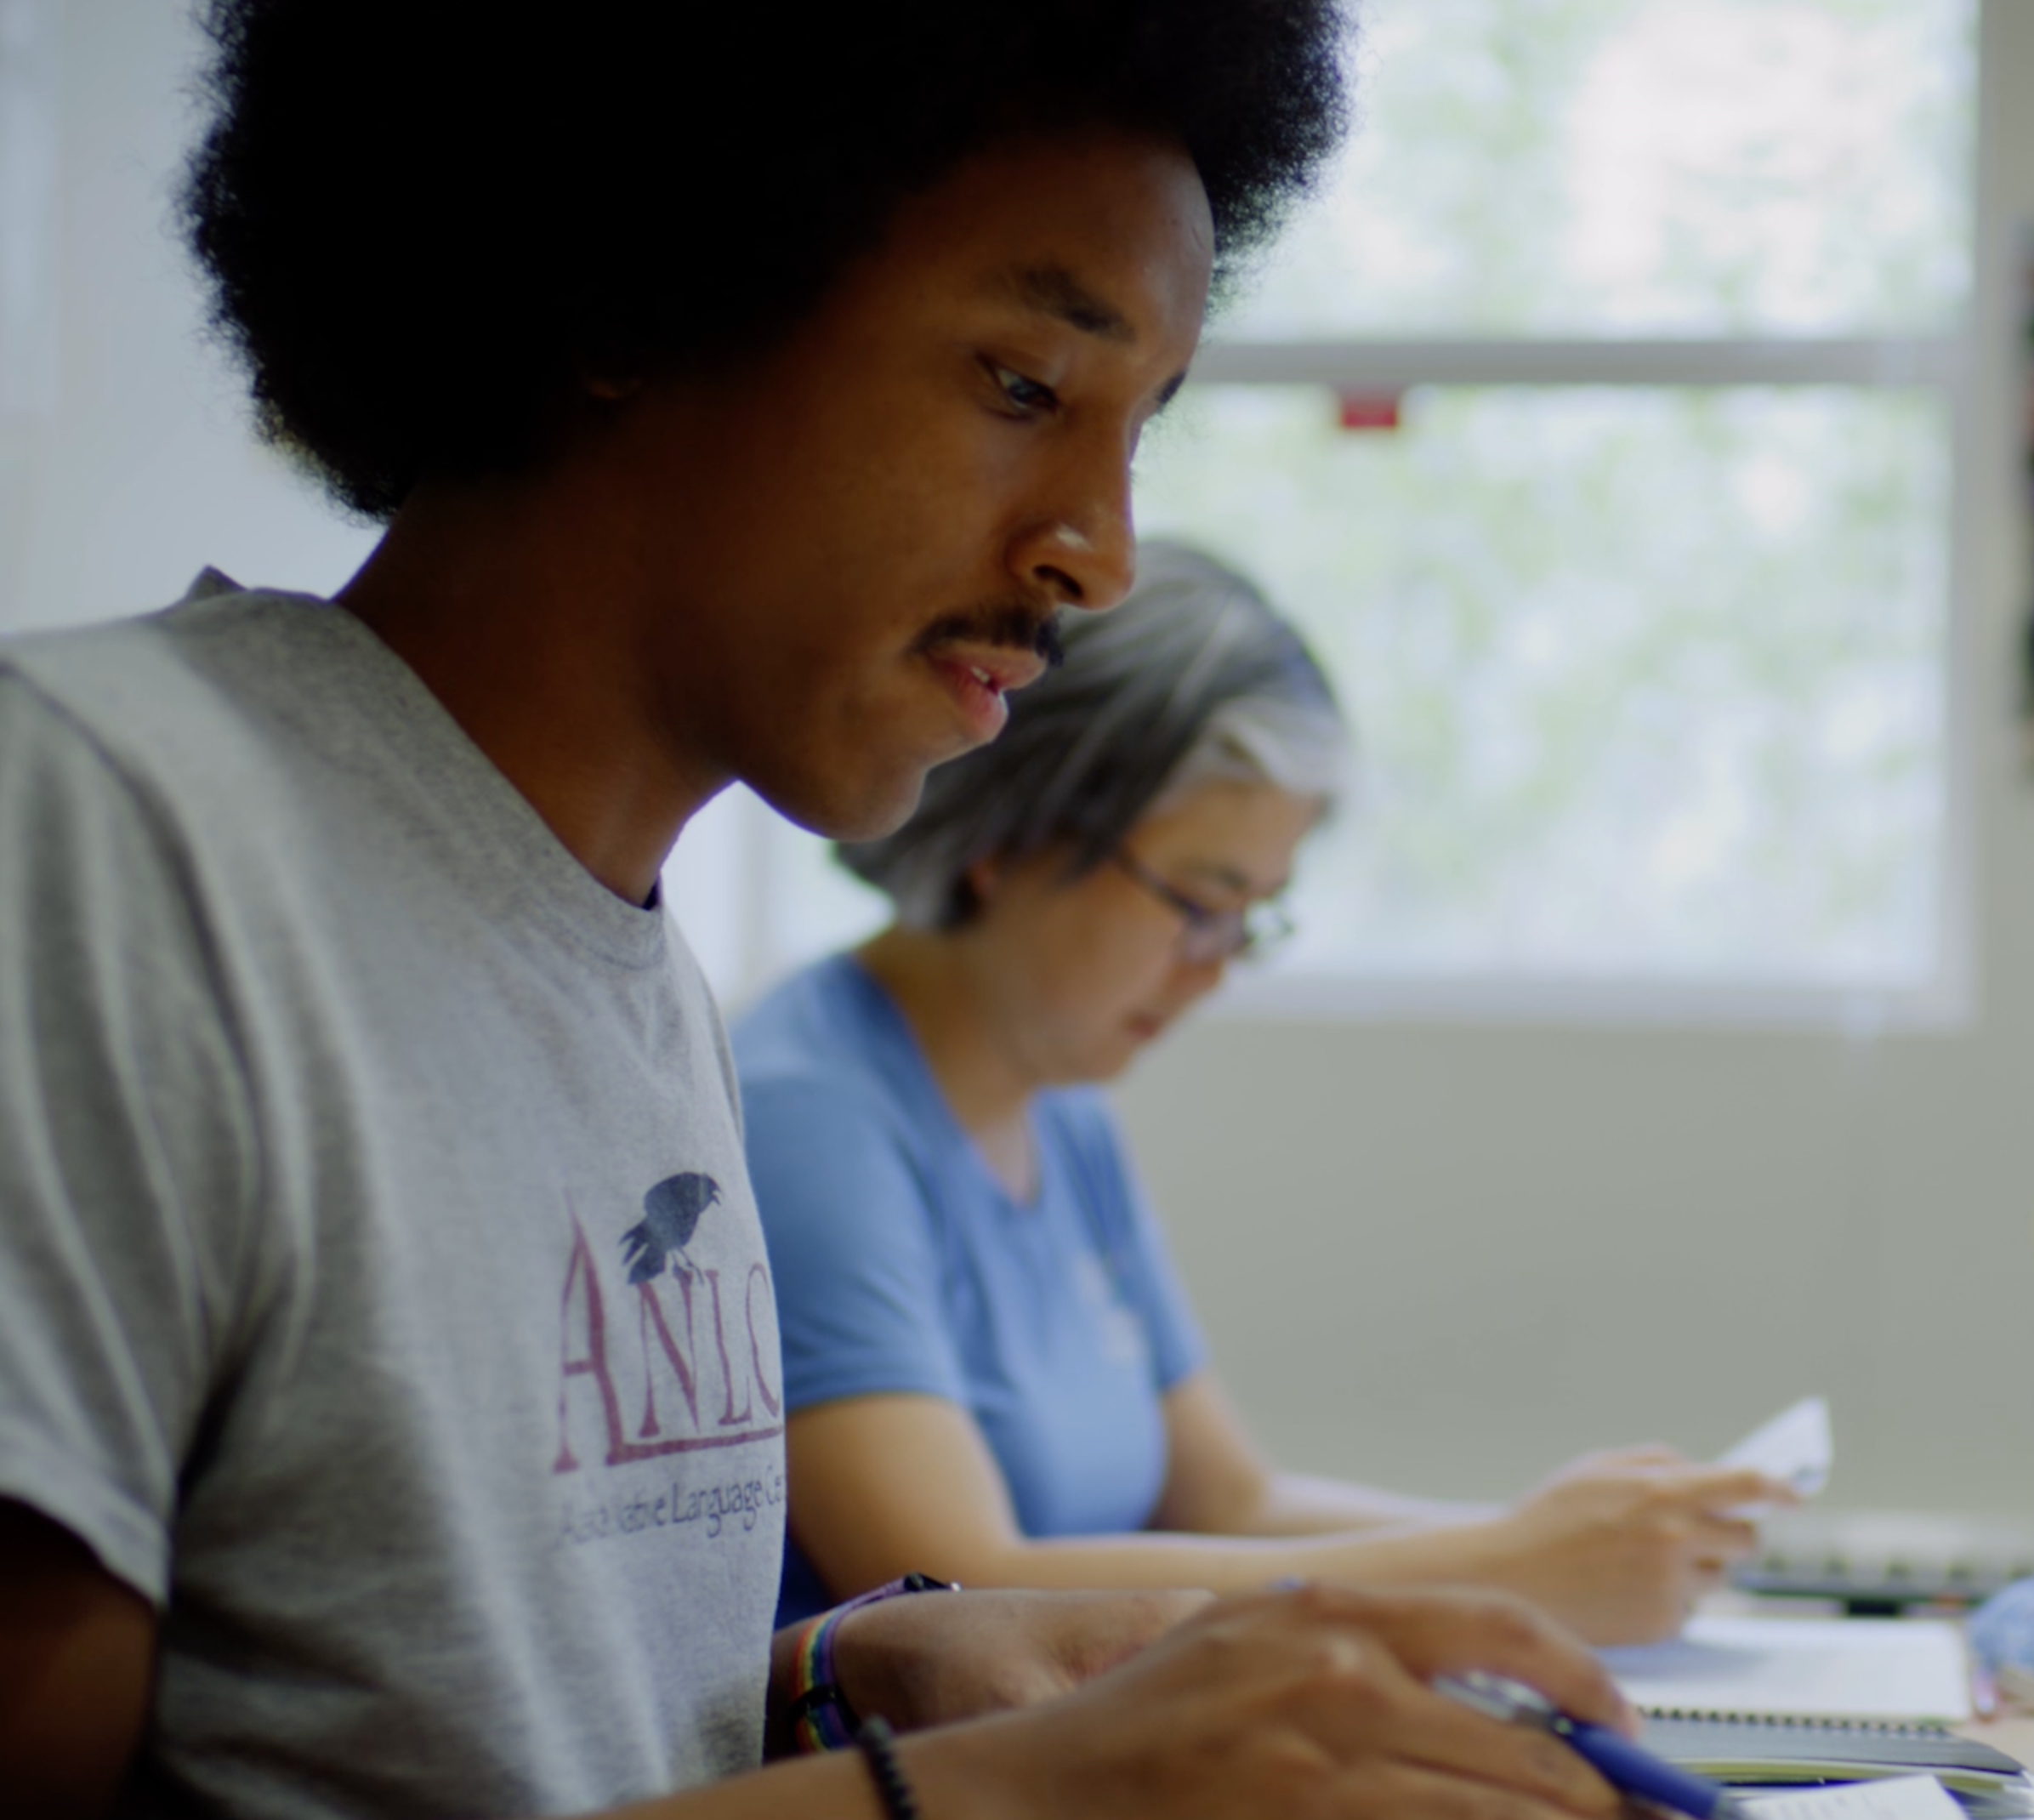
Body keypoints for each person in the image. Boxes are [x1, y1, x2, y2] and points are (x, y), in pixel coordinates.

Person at [0, 5, 1640, 1818]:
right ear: (631, 288)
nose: (1096, 546)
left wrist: (840, 1681)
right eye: (1025, 385)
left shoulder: (623, 962)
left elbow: (460, 1736)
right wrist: (1014, 1793)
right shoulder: (92, 832)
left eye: (1137, 429)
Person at [742, 542, 1787, 1644]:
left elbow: (1228, 1504)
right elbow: (955, 1595)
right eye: (1199, 900)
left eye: (1255, 920)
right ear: (1009, 833)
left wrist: (1563, 1547)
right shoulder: (808, 1118)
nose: (1218, 966)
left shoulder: (1062, 1113)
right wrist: (1505, 1569)